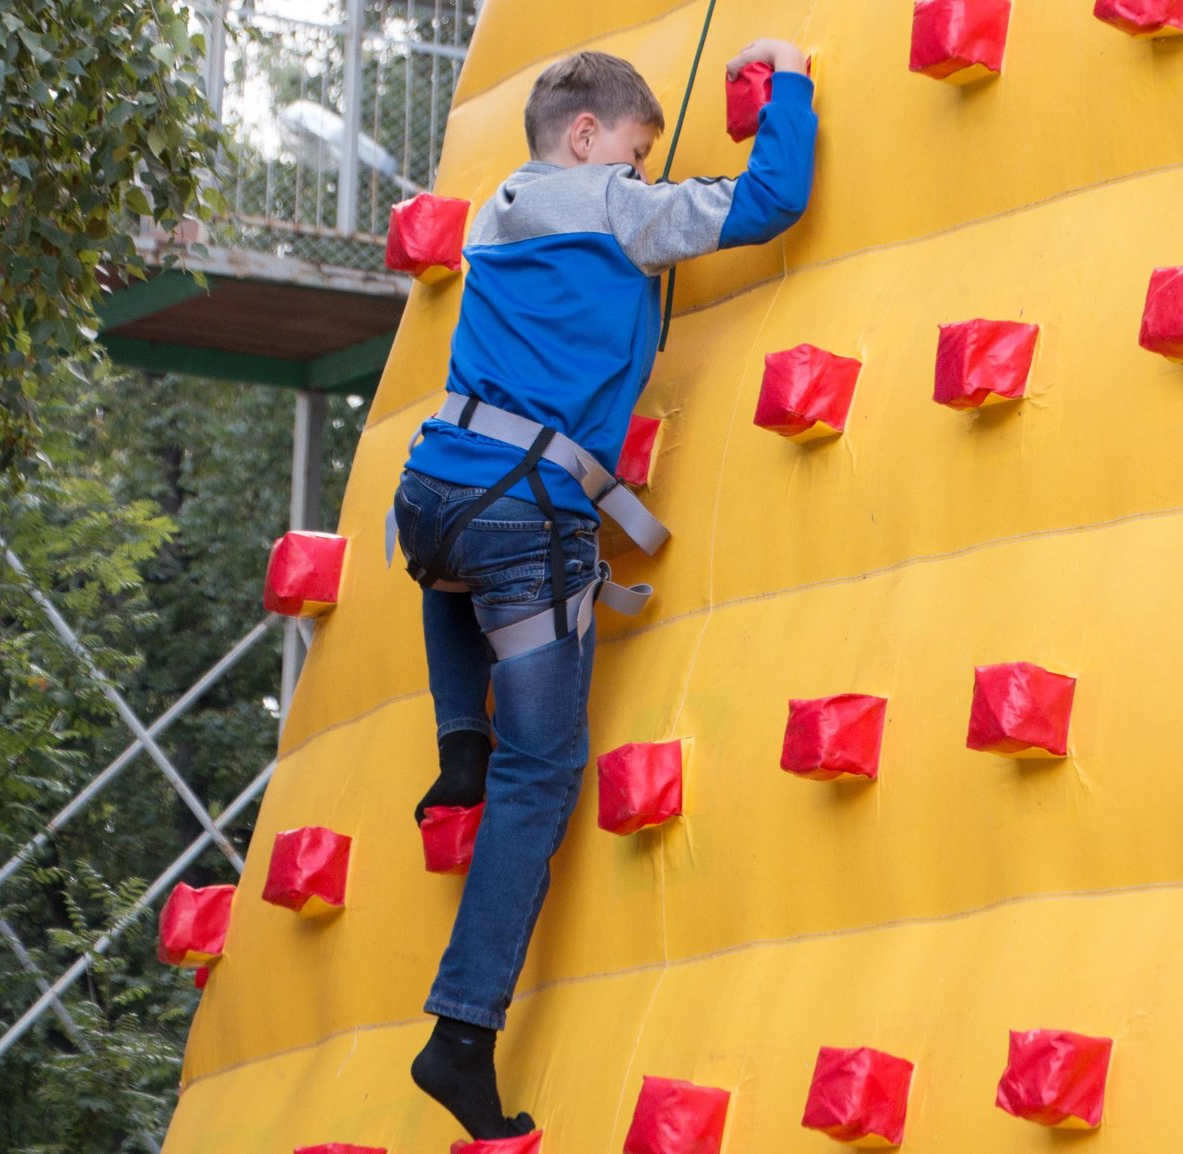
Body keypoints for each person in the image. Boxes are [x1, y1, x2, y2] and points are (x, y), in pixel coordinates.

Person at [393, 41, 817, 1140]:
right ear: (589, 138)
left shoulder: (501, 209)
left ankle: (456, 736)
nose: (642, 173)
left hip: (431, 490)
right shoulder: (613, 209)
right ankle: (462, 1032)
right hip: (523, 515)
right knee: (545, 769)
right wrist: (792, 82)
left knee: (449, 558)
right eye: (634, 151)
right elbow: (766, 200)